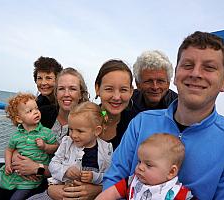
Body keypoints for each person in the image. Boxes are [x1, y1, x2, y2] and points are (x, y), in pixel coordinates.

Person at [103, 31, 224, 199]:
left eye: (209, 67)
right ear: (176, 76)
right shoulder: (140, 123)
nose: (196, 73)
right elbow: (114, 178)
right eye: (188, 65)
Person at [47, 59, 134, 199]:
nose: (116, 97)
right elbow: (56, 164)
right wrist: (52, 190)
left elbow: (135, 176)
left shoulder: (135, 126)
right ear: (97, 88)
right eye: (109, 89)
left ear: (131, 91)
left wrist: (98, 189)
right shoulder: (84, 116)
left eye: (123, 89)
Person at [12, 68, 89, 197]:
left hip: (55, 184)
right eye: (61, 89)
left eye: (72, 89)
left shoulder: (85, 126)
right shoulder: (44, 113)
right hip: (23, 175)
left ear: (81, 93)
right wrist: (15, 156)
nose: (66, 94)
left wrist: (38, 169)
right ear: (56, 93)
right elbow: (21, 136)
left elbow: (73, 171)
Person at [0, 93, 58, 200]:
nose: (36, 112)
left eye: (36, 108)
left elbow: (56, 147)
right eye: (30, 111)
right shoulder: (16, 135)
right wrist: (7, 164)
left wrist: (45, 147)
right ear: (19, 119)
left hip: (31, 179)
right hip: (13, 173)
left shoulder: (46, 133)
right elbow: (9, 150)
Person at [44, 102, 113, 199]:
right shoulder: (67, 143)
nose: (73, 135)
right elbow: (53, 165)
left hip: (91, 195)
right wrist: (66, 171)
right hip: (65, 189)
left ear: (97, 131)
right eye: (71, 129)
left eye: (80, 131)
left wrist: (94, 177)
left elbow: (109, 175)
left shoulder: (106, 149)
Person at [96, 133, 193, 200]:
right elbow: (110, 194)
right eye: (139, 161)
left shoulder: (179, 193)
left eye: (148, 165)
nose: (140, 167)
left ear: (171, 172)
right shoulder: (131, 182)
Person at [131, 50, 177, 117]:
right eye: (148, 81)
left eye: (160, 81)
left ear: (168, 84)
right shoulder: (127, 103)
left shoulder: (178, 106)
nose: (155, 87)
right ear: (138, 84)